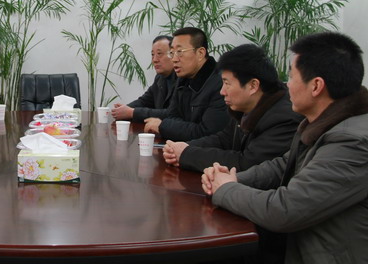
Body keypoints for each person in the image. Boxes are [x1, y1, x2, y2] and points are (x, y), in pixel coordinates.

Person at [202, 32, 368, 263]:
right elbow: (282, 165)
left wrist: (226, 189)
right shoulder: (321, 123)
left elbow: (285, 209)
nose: (287, 85)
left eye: (291, 77)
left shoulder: (352, 142)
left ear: (316, 86)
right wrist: (234, 178)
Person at [163, 44, 302, 172]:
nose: (222, 91)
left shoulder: (284, 118)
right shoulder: (243, 108)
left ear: (253, 86)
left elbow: (246, 163)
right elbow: (224, 139)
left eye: (227, 83)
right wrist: (184, 147)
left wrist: (187, 154)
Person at [143, 27, 229, 141]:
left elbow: (207, 133)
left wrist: (163, 126)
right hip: (182, 146)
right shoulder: (183, 79)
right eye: (172, 53)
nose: (174, 59)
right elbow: (172, 116)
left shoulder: (221, 83)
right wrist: (178, 127)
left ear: (200, 53)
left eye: (179, 52)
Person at [111, 35, 176, 122]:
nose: (154, 60)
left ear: (173, 54)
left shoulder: (183, 80)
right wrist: (124, 109)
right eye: (152, 54)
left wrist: (132, 112)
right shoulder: (160, 78)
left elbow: (172, 113)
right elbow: (144, 101)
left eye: (159, 54)